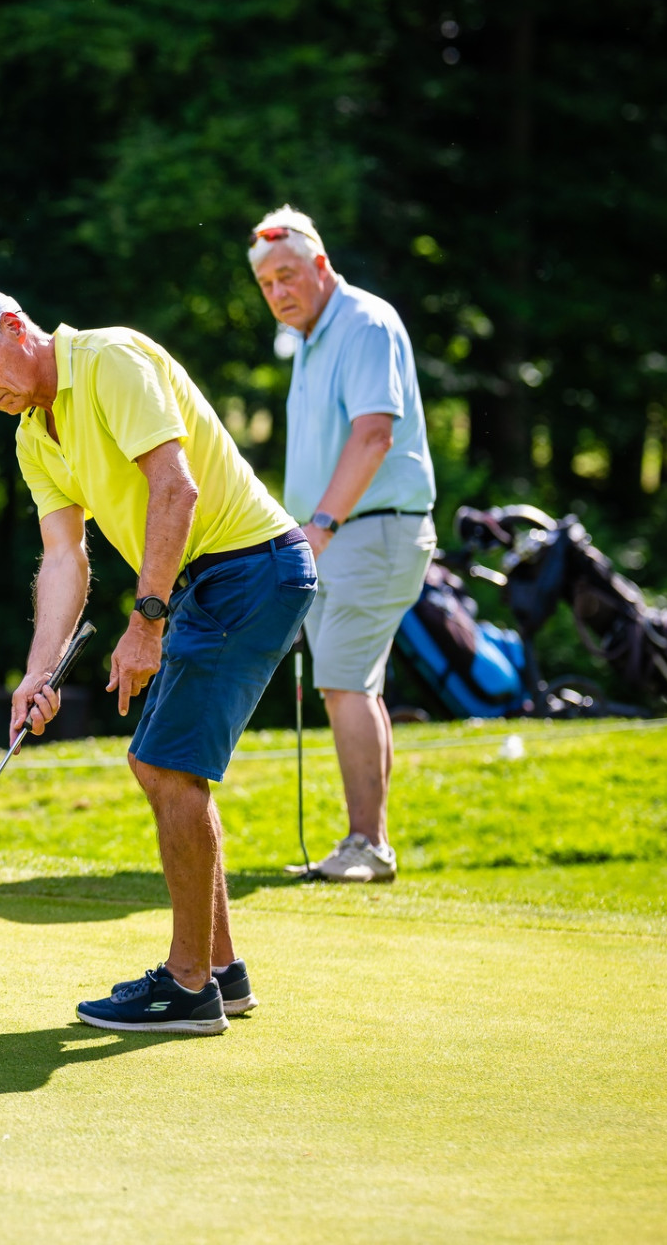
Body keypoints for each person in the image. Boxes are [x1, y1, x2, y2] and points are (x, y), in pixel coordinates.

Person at [0, 288, 315, 1035]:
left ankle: (188, 987)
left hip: (250, 566)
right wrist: (38, 672)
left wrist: (147, 623)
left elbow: (176, 488)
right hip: (206, 581)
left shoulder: (109, 360)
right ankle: (221, 973)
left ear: (14, 327)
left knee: (166, 764)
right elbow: (63, 557)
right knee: (159, 764)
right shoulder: (34, 436)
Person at [249, 207, 436, 884]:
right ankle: (368, 842)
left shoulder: (362, 322)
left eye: (288, 275)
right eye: (267, 284)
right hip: (336, 534)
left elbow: (374, 434)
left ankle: (369, 846)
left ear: (322, 266)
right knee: (355, 685)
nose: (278, 292)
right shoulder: (308, 339)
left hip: (369, 528)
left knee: (342, 682)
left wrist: (321, 525)